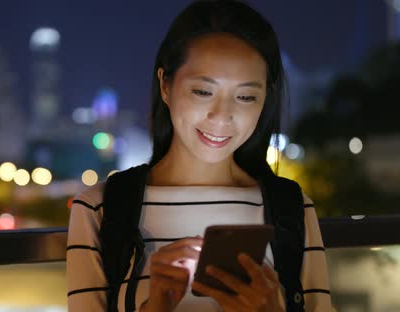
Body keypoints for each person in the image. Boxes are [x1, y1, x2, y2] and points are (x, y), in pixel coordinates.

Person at [66, 0, 332, 311]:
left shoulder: (291, 209)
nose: (222, 117)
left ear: (265, 100)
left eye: (246, 96)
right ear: (165, 85)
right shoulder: (102, 208)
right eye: (203, 92)